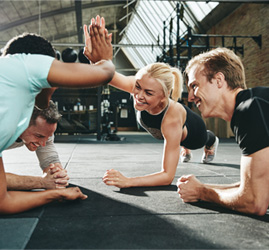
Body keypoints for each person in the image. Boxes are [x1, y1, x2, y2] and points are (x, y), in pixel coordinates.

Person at [83, 16, 219, 189]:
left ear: (164, 96)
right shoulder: (139, 87)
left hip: (195, 133)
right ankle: (180, 145)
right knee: (174, 140)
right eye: (137, 87)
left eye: (148, 93)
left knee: (198, 140)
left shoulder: (171, 120)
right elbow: (106, 75)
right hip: (176, 128)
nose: (138, 95)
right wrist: (96, 59)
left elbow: (167, 176)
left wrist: (129, 181)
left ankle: (210, 142)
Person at [0, 30, 115, 214]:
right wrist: (104, 59)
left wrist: (55, 188)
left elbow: (3, 202)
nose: (56, 81)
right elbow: (104, 74)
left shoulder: (11, 106)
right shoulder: (26, 65)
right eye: (53, 67)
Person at [177, 47, 269, 216]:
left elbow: (255, 201)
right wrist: (202, 187)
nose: (190, 97)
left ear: (219, 80)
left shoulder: (250, 109)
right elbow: (260, 188)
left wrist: (201, 193)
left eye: (194, 86)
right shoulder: (255, 103)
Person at [5, 101, 69, 190]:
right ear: (21, 123)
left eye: (48, 136)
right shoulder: (3, 127)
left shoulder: (44, 130)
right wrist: (41, 182)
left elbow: (50, 163)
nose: (43, 143)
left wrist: (57, 177)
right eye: (39, 136)